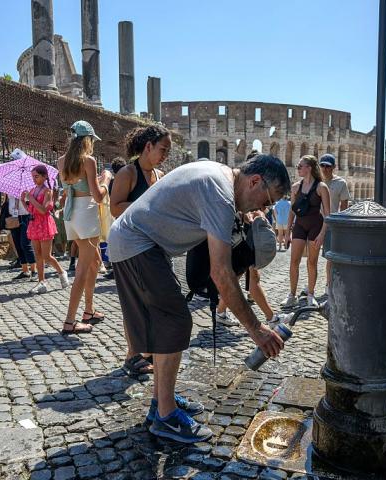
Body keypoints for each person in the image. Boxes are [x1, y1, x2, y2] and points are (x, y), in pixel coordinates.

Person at [108, 155, 290, 443]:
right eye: (267, 201)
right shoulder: (219, 194)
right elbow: (221, 273)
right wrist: (257, 329)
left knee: (170, 322)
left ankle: (161, 402)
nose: (263, 209)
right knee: (175, 321)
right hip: (136, 244)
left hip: (142, 243)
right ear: (255, 181)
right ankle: (165, 417)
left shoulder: (218, 175)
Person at [109, 125, 171, 375]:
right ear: (148, 146)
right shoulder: (127, 173)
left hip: (153, 243)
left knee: (154, 299)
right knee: (135, 302)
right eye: (162, 149)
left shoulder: (160, 174)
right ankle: (132, 355)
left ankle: (149, 350)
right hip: (129, 245)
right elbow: (114, 208)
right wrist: (145, 205)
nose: (165, 154)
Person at [57, 121, 111, 334]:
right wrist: (105, 180)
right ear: (87, 140)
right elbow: (97, 196)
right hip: (87, 214)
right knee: (81, 270)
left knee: (95, 260)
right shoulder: (88, 161)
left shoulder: (61, 161)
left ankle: (89, 310)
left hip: (71, 215)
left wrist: (94, 182)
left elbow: (75, 185)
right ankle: (70, 321)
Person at [282, 155, 331, 309]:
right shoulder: (296, 187)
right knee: (294, 261)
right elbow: (291, 211)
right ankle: (292, 295)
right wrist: (287, 232)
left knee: (312, 262)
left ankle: (310, 294)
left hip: (316, 226)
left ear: (309, 168)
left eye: (300, 166)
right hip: (300, 226)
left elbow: (328, 214)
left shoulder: (322, 187)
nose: (298, 168)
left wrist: (323, 234)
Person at [22, 164, 68, 293]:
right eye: (32, 177)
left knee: (46, 256)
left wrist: (30, 199)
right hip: (34, 224)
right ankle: (41, 282)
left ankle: (61, 272)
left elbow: (43, 210)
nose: (34, 179)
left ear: (44, 176)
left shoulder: (48, 191)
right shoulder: (32, 190)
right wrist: (23, 201)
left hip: (44, 224)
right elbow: (31, 210)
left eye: (36, 176)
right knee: (38, 255)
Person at [319, 153, 349, 294]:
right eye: (322, 165)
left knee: (329, 256)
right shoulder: (316, 181)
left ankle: (328, 284)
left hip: (331, 224)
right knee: (310, 256)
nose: (325, 169)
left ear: (334, 167)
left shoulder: (341, 183)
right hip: (315, 222)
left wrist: (341, 226)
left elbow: (344, 206)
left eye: (328, 166)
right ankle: (310, 287)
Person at [2, 193, 37, 280]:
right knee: (17, 244)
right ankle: (25, 271)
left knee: (25, 243)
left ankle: (34, 270)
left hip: (25, 216)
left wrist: (22, 197)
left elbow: (31, 200)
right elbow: (7, 201)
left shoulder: (26, 187)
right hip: (13, 216)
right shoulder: (9, 187)